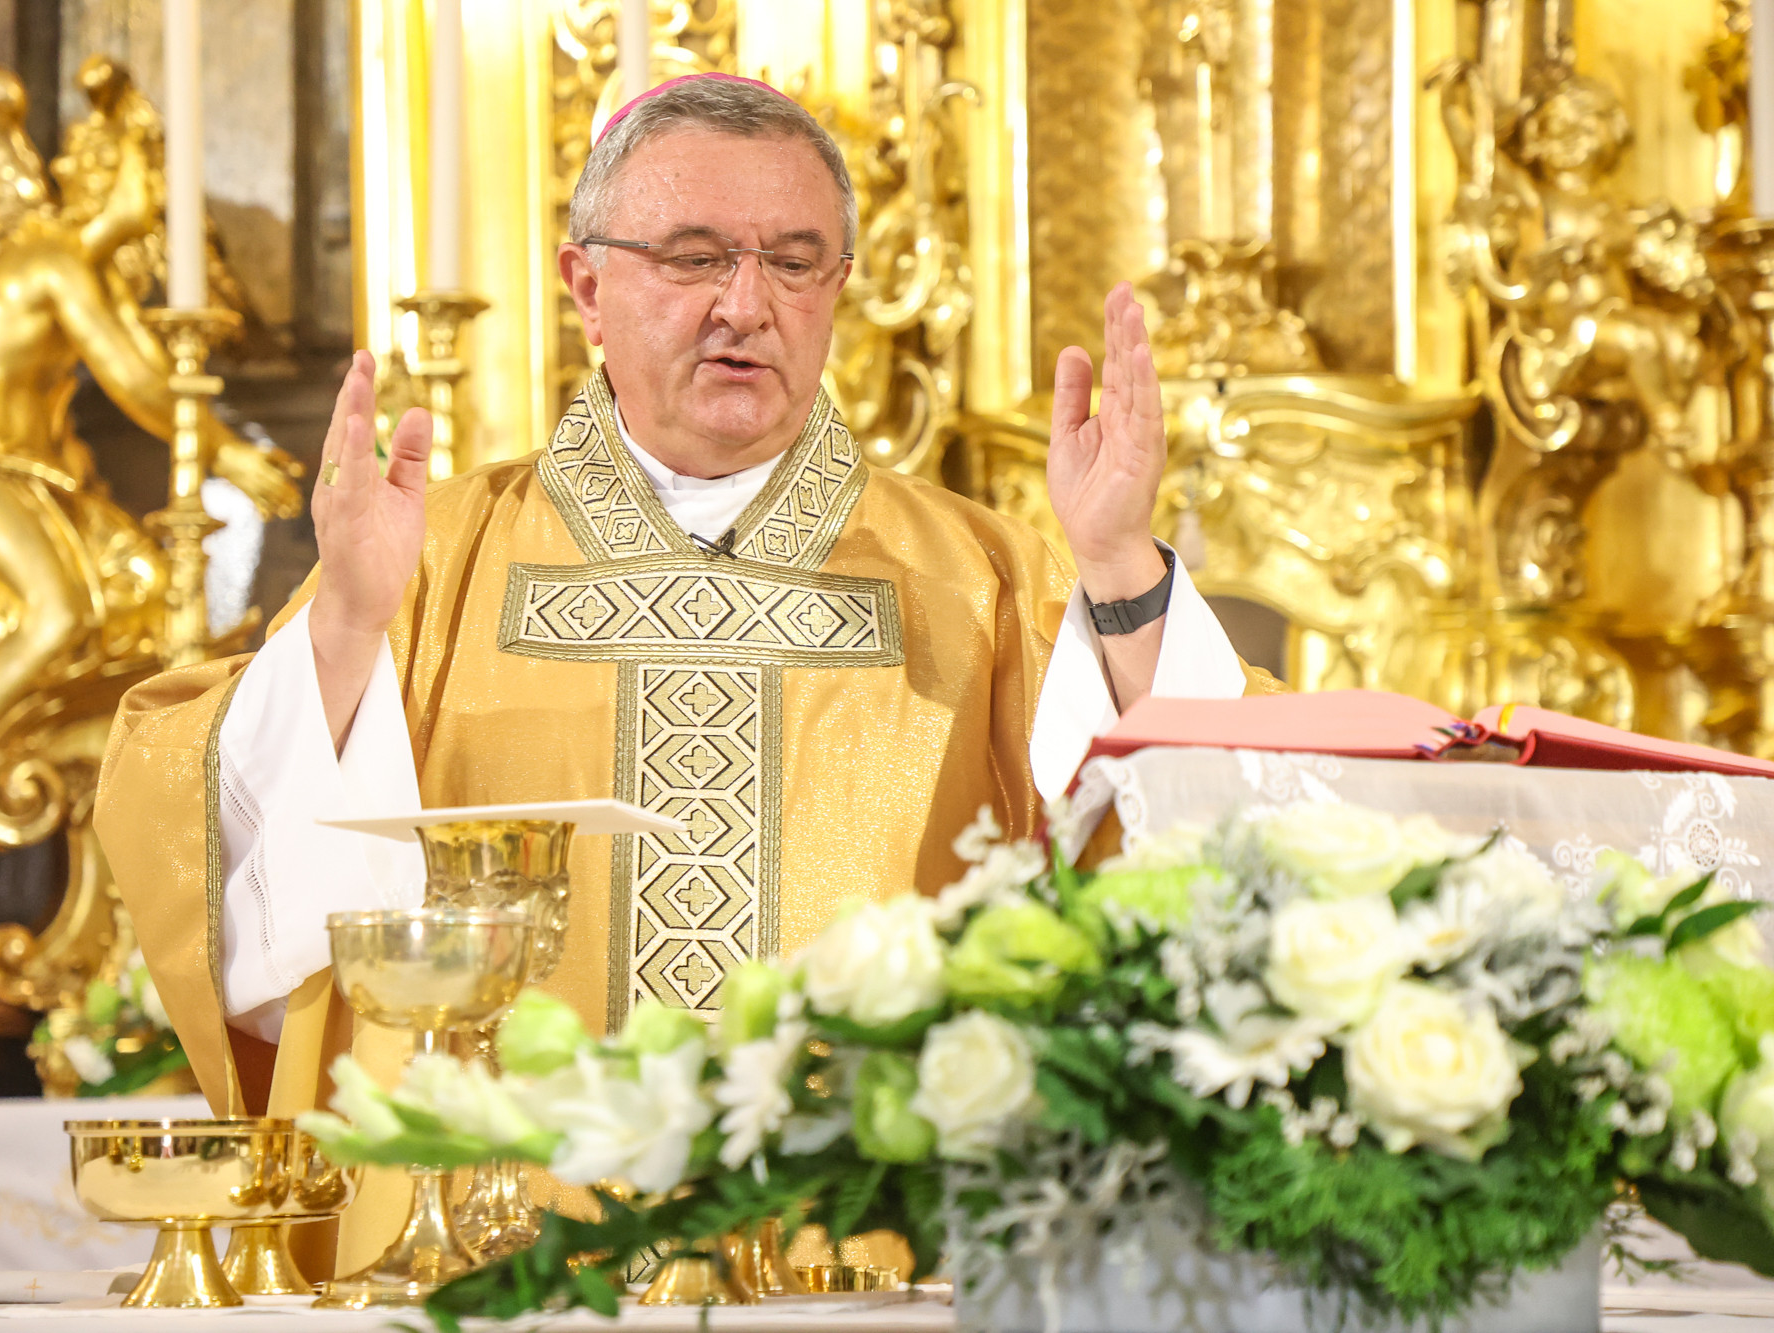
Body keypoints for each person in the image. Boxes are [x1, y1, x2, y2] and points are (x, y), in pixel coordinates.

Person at [96, 72, 1265, 1269]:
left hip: (866, 1262)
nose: (744, 306)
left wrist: (1118, 566)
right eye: (693, 258)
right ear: (586, 288)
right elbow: (219, 849)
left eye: (793, 262)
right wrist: (345, 627)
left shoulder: (985, 576)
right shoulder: (427, 559)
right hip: (494, 1262)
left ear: (836, 288)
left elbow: (1200, 847)